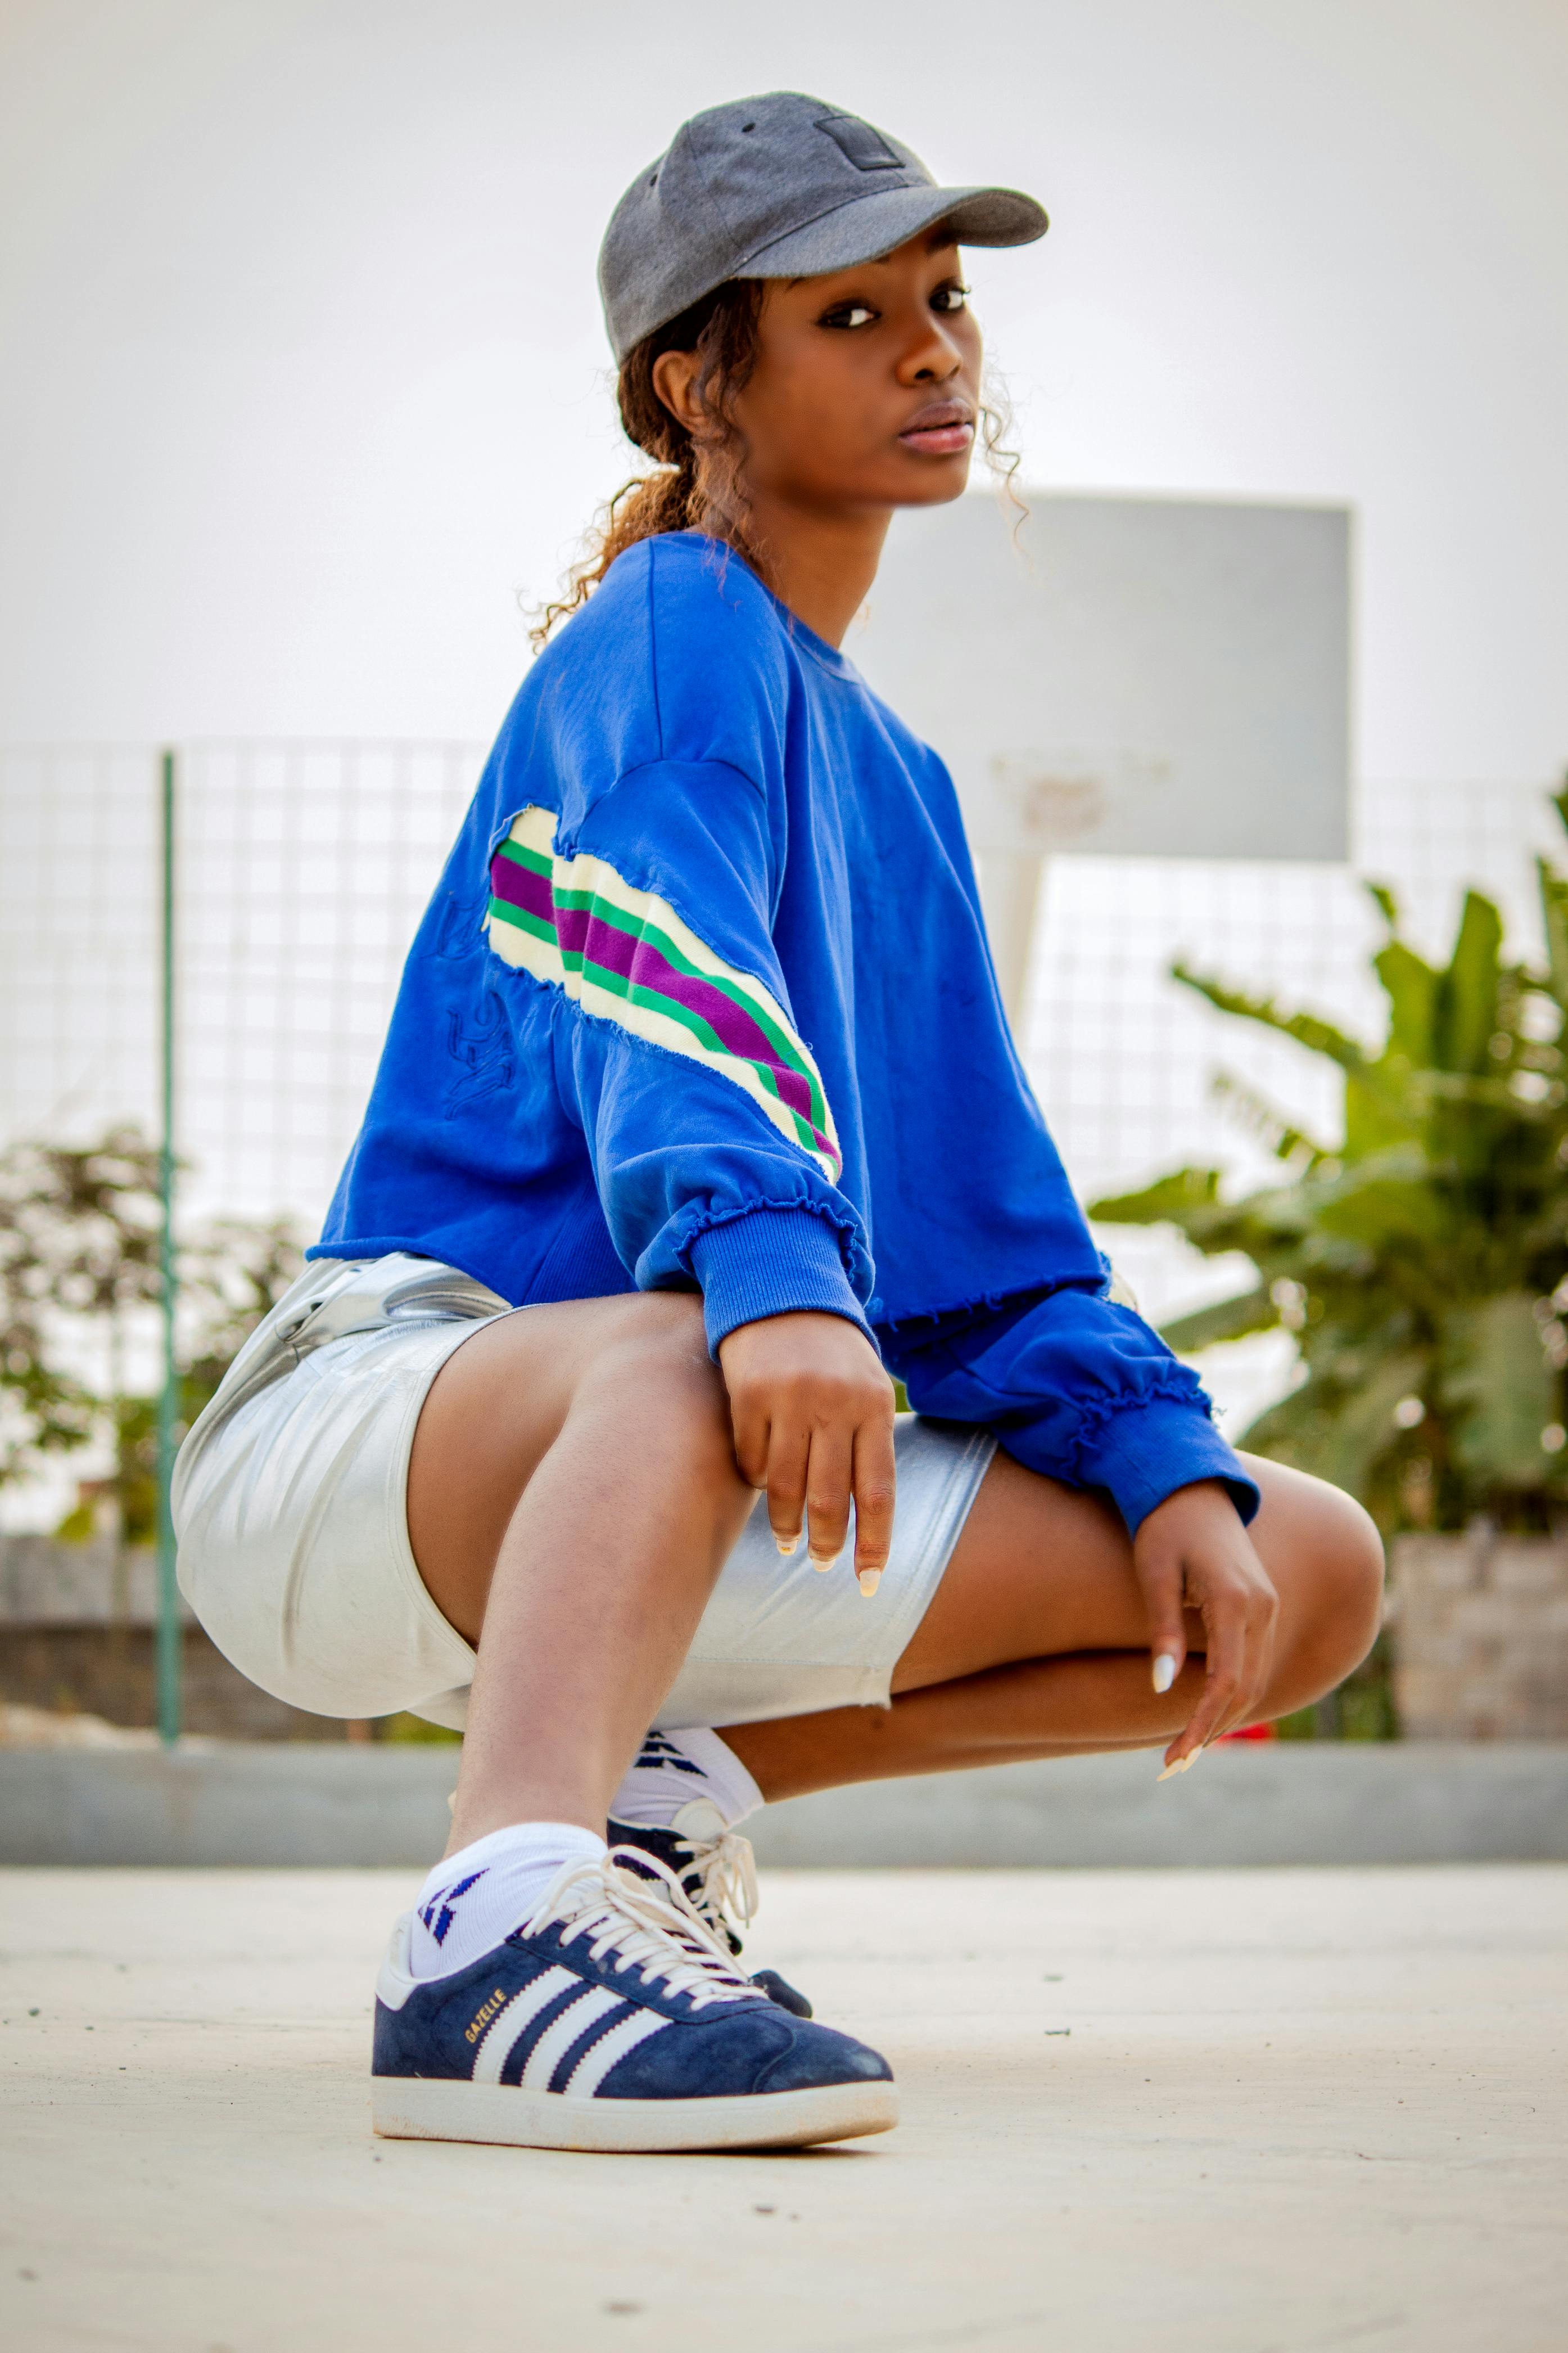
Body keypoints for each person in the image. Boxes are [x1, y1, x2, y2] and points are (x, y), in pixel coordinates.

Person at [173, 92, 1384, 2156]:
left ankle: (661, 1806)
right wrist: (765, 1267)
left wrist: (1158, 1455)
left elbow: (994, 1247)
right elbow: (661, 975)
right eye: (849, 313)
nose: (931, 350)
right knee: (680, 1336)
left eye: (945, 302)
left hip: (680, 1463)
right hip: (376, 1440)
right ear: (693, 382)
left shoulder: (898, 783)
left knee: (1300, 1568)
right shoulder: (665, 632)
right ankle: (493, 1927)